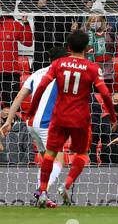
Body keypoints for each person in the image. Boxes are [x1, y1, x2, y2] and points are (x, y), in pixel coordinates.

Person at [25, 30, 117, 208]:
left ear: (68, 47)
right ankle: (66, 185)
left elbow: (43, 85)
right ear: (87, 47)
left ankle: (43, 191)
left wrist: (32, 110)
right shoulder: (92, 68)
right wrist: (112, 116)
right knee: (81, 154)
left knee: (50, 154)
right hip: (80, 118)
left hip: (59, 116)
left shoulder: (58, 63)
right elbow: (105, 93)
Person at [0, 46, 69, 207]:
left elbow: (18, 96)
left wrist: (9, 120)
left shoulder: (36, 74)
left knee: (46, 160)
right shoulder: (64, 75)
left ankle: (41, 197)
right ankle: (41, 191)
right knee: (59, 160)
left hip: (31, 124)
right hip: (47, 124)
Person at [0, 14, 33, 107]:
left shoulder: (14, 24)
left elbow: (28, 42)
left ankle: (12, 120)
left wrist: (26, 23)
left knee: (11, 107)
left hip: (10, 73)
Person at [82, 13, 116, 92]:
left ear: (102, 21)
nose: (95, 23)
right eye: (93, 21)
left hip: (105, 70)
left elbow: (114, 46)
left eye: (97, 21)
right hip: (88, 70)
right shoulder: (83, 32)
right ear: (89, 22)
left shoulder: (109, 31)